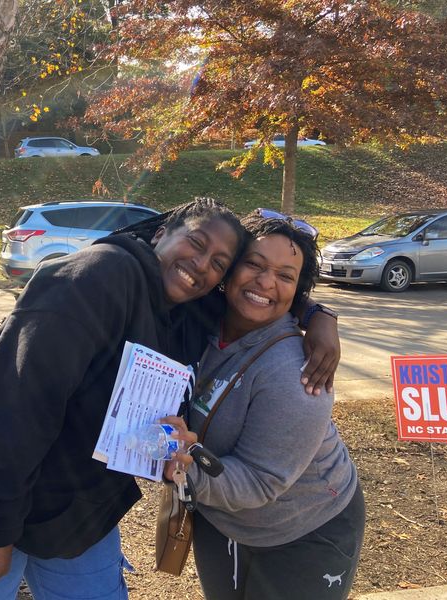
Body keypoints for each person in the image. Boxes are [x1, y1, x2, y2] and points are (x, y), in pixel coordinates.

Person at [0, 198, 339, 600]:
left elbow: (259, 291)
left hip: (63, 497)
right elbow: (11, 407)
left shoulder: (191, 307)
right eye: (196, 243)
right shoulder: (98, 276)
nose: (202, 265)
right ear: (161, 233)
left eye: (219, 262)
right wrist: (0, 529)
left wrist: (315, 312)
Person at [165, 212, 364, 600]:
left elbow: (260, 481)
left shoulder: (296, 373)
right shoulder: (202, 319)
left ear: (296, 289)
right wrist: (317, 311)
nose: (266, 282)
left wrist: (175, 466)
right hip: (222, 518)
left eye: (285, 276)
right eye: (253, 264)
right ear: (229, 268)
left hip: (304, 530)